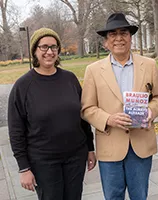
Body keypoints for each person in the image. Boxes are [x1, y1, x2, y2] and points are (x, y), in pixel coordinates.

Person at [81, 13, 158, 200]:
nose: (118, 38)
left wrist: (150, 111)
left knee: (139, 196)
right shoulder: (93, 71)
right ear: (106, 42)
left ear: (130, 38)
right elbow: (87, 108)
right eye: (113, 34)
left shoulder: (149, 65)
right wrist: (108, 119)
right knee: (113, 197)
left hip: (140, 145)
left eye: (123, 33)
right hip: (110, 145)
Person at [8, 28, 96, 200]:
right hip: (43, 161)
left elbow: (82, 118)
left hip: (75, 156)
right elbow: (16, 131)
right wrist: (24, 168)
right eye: (44, 47)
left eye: (54, 47)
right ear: (35, 50)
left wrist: (90, 148)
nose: (49, 52)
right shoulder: (23, 86)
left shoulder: (70, 79)